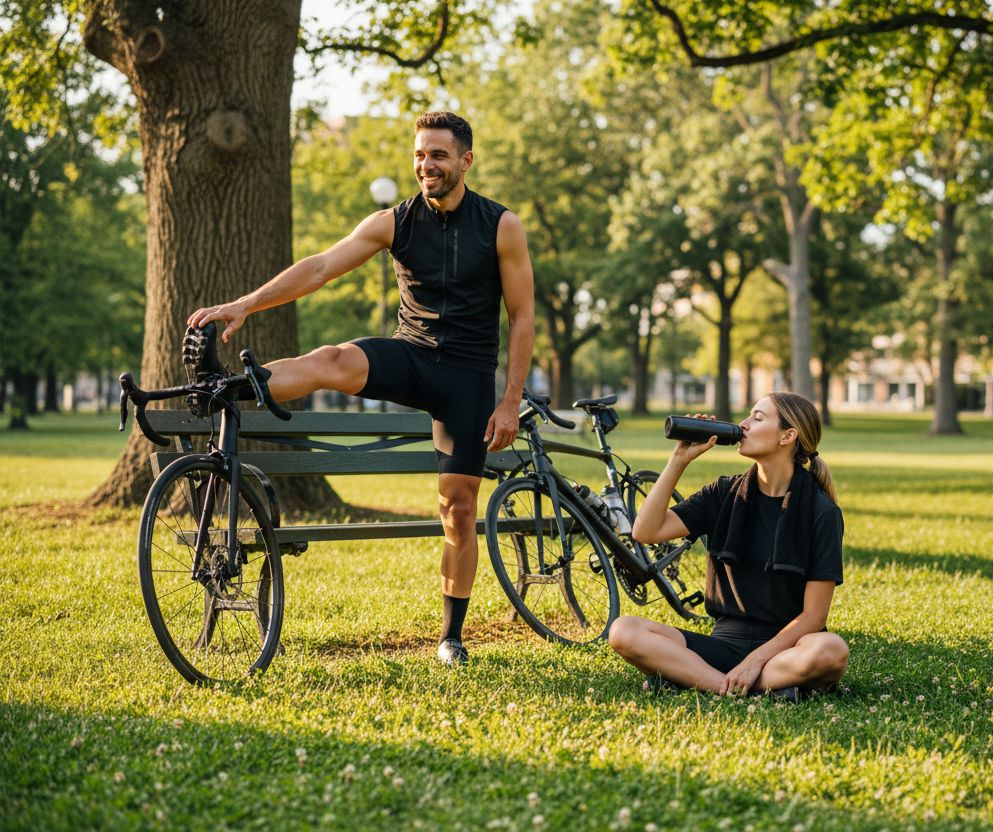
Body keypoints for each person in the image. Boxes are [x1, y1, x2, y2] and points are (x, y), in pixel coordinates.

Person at [186, 111, 535, 667]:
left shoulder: (501, 225)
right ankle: (233, 389)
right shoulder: (394, 221)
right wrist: (245, 304)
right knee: (333, 358)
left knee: (460, 507)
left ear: (466, 161)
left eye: (439, 155)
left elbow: (521, 316)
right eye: (420, 154)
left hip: (467, 378)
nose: (427, 165)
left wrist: (511, 398)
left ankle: (451, 636)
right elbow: (321, 267)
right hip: (412, 355)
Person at [608, 392, 848, 701]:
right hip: (722, 645)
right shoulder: (724, 493)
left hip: (784, 651)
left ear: (788, 436)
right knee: (624, 631)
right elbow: (646, 530)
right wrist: (678, 460)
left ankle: (690, 678)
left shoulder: (821, 512)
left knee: (830, 651)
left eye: (758, 418)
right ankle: (737, 687)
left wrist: (756, 660)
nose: (743, 425)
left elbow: (814, 617)